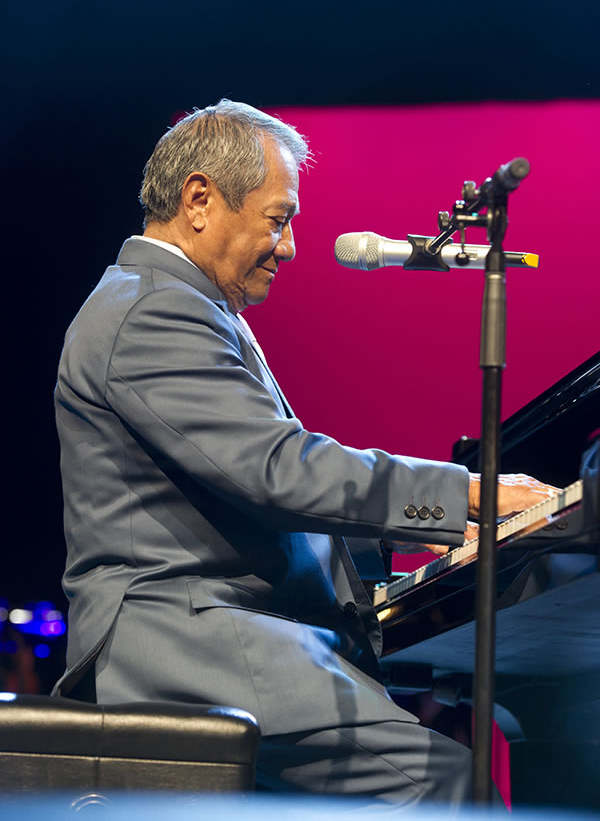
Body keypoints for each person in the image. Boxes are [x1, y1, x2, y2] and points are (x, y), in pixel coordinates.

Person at [54, 100, 557, 806]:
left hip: (223, 631)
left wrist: (405, 533)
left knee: (452, 766)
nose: (289, 246)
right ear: (199, 200)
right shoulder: (153, 310)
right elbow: (276, 471)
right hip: (190, 643)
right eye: (278, 218)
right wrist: (463, 494)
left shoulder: (172, 302)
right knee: (447, 785)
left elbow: (233, 495)